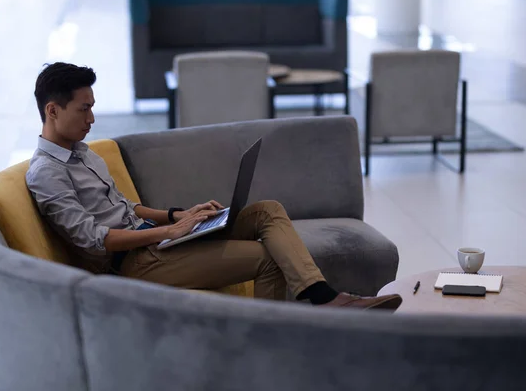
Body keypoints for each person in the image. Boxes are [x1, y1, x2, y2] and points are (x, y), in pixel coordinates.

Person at [26, 62, 402, 310]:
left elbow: (128, 207)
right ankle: (270, 341)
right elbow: (92, 238)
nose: (92, 118)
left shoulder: (84, 153)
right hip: (137, 262)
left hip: (158, 238)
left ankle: (322, 296)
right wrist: (168, 231)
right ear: (53, 111)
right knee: (270, 258)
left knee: (266, 211)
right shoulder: (46, 173)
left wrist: (180, 215)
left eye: (93, 107)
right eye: (83, 109)